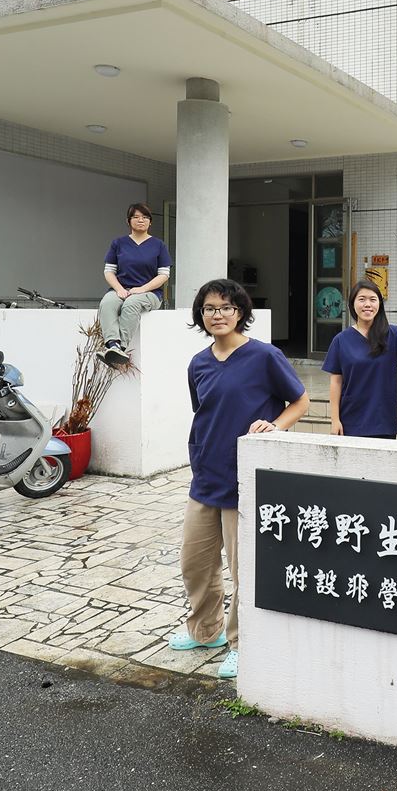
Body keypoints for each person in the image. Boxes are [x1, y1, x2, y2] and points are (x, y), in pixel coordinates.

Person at [168, 278, 310, 682]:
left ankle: (241, 643)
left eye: (226, 308)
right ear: (201, 315)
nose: (217, 315)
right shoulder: (198, 363)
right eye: (209, 308)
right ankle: (204, 631)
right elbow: (205, 412)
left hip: (243, 480)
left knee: (242, 567)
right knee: (195, 563)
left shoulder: (264, 356)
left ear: (240, 313)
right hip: (205, 477)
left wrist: (276, 426)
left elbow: (300, 400)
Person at [322, 279, 397, 438]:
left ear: (379, 304)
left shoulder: (393, 334)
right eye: (362, 299)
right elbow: (336, 382)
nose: (367, 304)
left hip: (383, 422)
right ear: (353, 304)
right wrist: (335, 420)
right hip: (350, 422)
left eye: (373, 299)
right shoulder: (341, 340)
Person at [99, 203, 172, 368]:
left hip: (151, 293)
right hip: (121, 289)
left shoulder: (159, 245)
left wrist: (142, 289)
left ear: (150, 222)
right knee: (107, 303)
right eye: (136, 217)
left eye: (145, 217)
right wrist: (118, 289)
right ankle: (113, 345)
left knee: (132, 304)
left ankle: (120, 348)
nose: (141, 220)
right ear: (128, 221)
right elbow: (109, 271)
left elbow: (164, 275)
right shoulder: (118, 243)